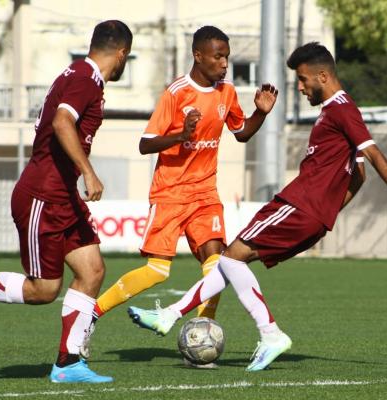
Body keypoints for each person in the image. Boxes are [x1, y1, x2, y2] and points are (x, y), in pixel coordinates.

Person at [127, 42, 387, 372]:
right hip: (311, 214)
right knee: (231, 261)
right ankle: (169, 316)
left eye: (302, 79)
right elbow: (359, 174)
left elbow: (371, 152)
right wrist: (327, 212)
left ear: (323, 76)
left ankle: (268, 333)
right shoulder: (337, 111)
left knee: (230, 258)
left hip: (298, 205)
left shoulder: (341, 108)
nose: (300, 87)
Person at [0, 20, 133, 384]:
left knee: (92, 271)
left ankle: (68, 363)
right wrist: (88, 172)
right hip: (43, 195)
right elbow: (62, 123)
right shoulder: (85, 79)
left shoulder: (77, 73)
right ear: (121, 53)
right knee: (43, 290)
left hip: (62, 195)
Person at [82, 25, 278, 367]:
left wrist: (260, 112)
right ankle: (92, 314)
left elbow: (242, 133)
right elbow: (145, 143)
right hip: (170, 193)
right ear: (198, 56)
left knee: (218, 267)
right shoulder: (176, 93)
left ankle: (201, 339)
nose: (224, 63)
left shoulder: (227, 92)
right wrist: (180, 136)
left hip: (205, 193)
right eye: (218, 57)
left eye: (227, 57)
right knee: (157, 271)